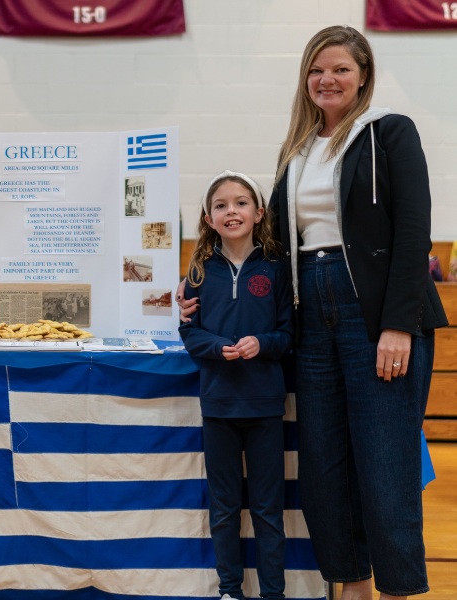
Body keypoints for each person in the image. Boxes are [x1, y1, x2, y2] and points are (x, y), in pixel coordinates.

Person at [179, 26, 448, 600]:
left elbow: (413, 233)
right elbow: (268, 245)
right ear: (305, 79)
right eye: (317, 70)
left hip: (372, 311)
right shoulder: (296, 151)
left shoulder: (389, 133)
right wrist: (198, 285)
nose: (328, 79)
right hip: (310, 313)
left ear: (363, 76)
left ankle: (397, 589)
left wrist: (398, 323)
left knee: (384, 464)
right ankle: (351, 587)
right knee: (324, 465)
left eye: (341, 69)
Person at [179, 171, 293, 600]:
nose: (232, 211)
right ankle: (230, 590)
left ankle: (273, 594)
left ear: (259, 212)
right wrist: (215, 346)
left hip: (264, 407)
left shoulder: (277, 269)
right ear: (209, 218)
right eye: (222, 205)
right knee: (224, 508)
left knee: (267, 509)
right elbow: (189, 333)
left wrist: (261, 344)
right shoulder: (198, 273)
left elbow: (287, 335)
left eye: (241, 203)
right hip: (219, 407)